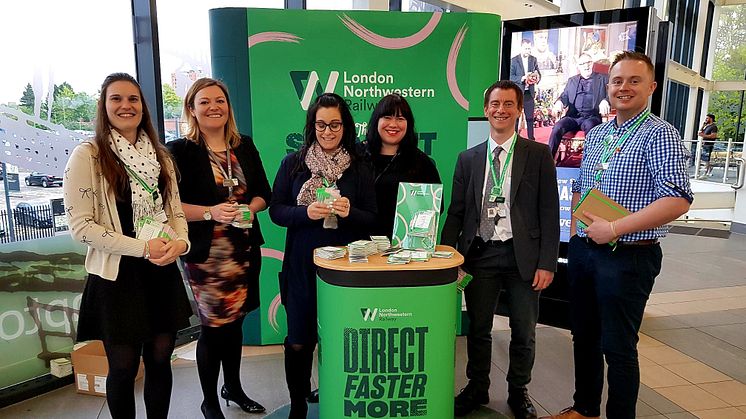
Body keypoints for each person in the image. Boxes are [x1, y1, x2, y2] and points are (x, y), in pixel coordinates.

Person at [542, 51, 692, 419]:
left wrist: (613, 228)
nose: (624, 87)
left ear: (651, 87)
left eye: (634, 81)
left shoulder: (661, 134)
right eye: (617, 81)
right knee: (585, 337)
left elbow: (677, 199)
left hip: (628, 256)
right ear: (607, 87)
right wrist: (579, 229)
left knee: (619, 347)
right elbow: (582, 184)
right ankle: (585, 409)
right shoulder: (598, 134)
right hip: (585, 251)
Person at [64, 73, 192, 419]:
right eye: (116, 99)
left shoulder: (160, 157)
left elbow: (175, 212)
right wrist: (143, 249)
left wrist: (180, 243)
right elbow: (82, 227)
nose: (125, 106)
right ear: (103, 107)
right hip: (117, 276)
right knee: (122, 368)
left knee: (160, 360)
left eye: (133, 99)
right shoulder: (88, 156)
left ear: (143, 107)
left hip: (161, 270)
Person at [442, 80, 560, 419]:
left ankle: (518, 391)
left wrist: (547, 263)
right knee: (478, 328)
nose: (501, 110)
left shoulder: (537, 155)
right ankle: (477, 387)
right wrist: (450, 256)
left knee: (524, 330)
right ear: (485, 109)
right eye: (495, 103)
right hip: (480, 255)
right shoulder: (468, 158)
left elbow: (550, 211)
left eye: (509, 104)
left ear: (519, 110)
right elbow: (457, 212)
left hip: (523, 256)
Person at [269, 93, 377, 418]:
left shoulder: (360, 166)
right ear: (312, 125)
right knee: (299, 341)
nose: (327, 131)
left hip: (346, 271)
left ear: (345, 126)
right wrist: (306, 213)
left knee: (342, 342)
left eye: (334, 124)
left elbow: (373, 217)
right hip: (302, 267)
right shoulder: (294, 164)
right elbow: (276, 210)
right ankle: (299, 402)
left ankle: (337, 398)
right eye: (321, 124)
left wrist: (350, 212)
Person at [167, 78, 270, 419]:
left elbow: (263, 195)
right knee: (214, 328)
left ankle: (234, 388)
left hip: (242, 251)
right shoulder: (179, 151)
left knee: (236, 323)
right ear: (192, 110)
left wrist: (248, 210)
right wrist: (210, 212)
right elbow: (169, 206)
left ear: (228, 107)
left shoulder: (244, 145)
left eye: (220, 101)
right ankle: (209, 400)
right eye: (204, 102)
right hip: (206, 257)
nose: (214, 107)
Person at [361, 94, 441, 237]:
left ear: (408, 124)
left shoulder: (422, 162)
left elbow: (435, 207)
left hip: (403, 248)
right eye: (387, 117)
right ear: (376, 121)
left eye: (400, 118)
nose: (393, 124)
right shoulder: (357, 156)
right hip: (358, 247)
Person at [547, 53, 611, 158]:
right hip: (573, 117)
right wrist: (559, 102)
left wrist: (606, 101)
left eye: (589, 62)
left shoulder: (603, 78)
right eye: (583, 64)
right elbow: (565, 96)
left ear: (592, 64)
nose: (586, 66)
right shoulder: (572, 80)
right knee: (557, 127)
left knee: (591, 128)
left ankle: (590, 161)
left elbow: (612, 95)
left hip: (592, 117)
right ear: (578, 66)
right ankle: (548, 160)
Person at [510, 39, 541, 141]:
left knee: (530, 118)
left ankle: (531, 138)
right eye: (526, 48)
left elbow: (538, 74)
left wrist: (536, 77)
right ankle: (513, 138)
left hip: (529, 93)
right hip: (517, 93)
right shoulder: (513, 60)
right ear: (521, 48)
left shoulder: (533, 59)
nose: (527, 51)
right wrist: (523, 78)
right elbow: (510, 76)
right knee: (516, 117)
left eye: (529, 48)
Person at [697, 113, 718, 179]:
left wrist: (704, 135)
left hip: (709, 145)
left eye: (707, 118)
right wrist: (703, 126)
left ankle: (705, 172)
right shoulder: (707, 126)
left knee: (706, 159)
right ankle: (707, 170)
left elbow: (714, 135)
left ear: (711, 119)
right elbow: (699, 132)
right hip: (704, 144)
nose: (705, 119)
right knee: (703, 158)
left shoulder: (713, 127)